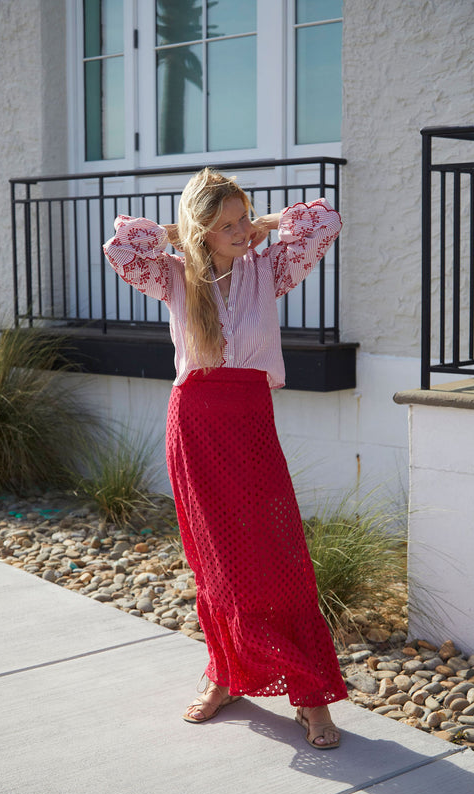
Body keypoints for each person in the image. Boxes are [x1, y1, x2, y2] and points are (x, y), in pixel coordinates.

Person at [103, 168, 348, 749]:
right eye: (228, 224)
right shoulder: (172, 275)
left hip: (250, 422)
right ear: (203, 230)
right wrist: (182, 235)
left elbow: (322, 221)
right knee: (215, 564)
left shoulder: (270, 267)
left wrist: (260, 225)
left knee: (280, 556)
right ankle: (225, 674)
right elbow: (124, 244)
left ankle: (311, 696)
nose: (242, 231)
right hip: (194, 423)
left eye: (245, 219)